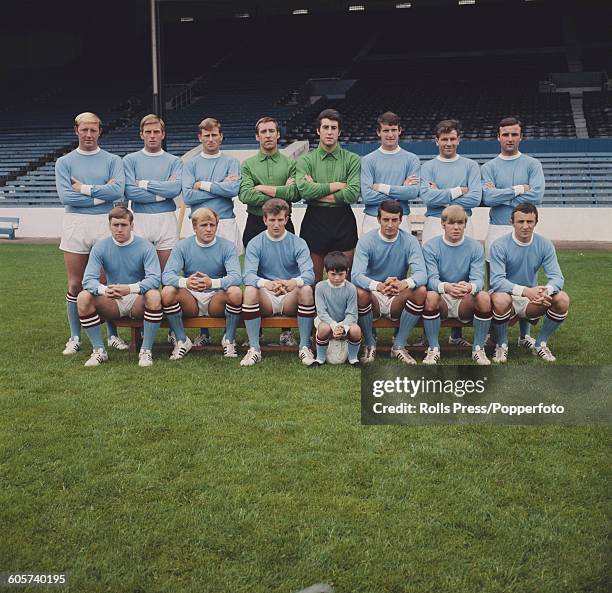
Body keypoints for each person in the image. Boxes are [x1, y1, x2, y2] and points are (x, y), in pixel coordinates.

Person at [55, 112, 126, 356]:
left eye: (93, 130)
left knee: (105, 282)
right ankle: (75, 336)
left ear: (100, 131)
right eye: (84, 130)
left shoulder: (112, 160)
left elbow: (117, 191)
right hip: (75, 224)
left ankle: (112, 335)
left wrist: (84, 190)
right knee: (76, 284)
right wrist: (101, 194)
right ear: (76, 130)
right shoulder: (64, 162)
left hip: (103, 224)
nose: (88, 134)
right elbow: (66, 197)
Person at [482, 116, 545, 349]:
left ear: (521, 136)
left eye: (514, 134)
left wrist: (501, 193)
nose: (510, 138)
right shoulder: (489, 167)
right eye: (505, 134)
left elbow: (536, 196)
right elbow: (487, 198)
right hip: (497, 229)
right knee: (497, 284)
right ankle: (496, 334)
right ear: (498, 137)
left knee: (526, 279)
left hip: (524, 229)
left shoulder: (532, 164)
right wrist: (520, 189)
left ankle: (524, 334)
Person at [239, 116, 301, 347]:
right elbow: (246, 195)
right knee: (256, 274)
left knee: (286, 269)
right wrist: (280, 191)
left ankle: (286, 329)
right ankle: (257, 330)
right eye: (263, 131)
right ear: (257, 136)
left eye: (271, 131)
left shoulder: (290, 163)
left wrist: (263, 188)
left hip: (285, 222)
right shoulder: (247, 165)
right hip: (255, 222)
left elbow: (295, 194)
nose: (267, 135)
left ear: (277, 134)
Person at [419, 119, 482, 348]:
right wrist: (457, 191)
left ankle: (456, 334)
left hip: (465, 222)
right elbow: (426, 197)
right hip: (434, 222)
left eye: (452, 139)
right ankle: (428, 333)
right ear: (436, 141)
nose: (448, 143)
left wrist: (441, 194)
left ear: (459, 140)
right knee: (431, 276)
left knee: (461, 273)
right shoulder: (427, 167)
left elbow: (475, 198)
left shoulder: (470, 166)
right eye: (444, 139)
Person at [181, 117, 241, 347]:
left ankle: (229, 330)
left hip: (225, 222)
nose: (210, 139)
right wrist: (219, 187)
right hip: (199, 222)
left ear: (221, 136)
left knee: (229, 273)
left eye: (214, 134)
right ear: (200, 137)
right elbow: (188, 196)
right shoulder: (191, 164)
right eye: (206, 135)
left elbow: (233, 189)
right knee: (200, 271)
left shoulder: (231, 161)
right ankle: (203, 330)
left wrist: (203, 185)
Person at [77, 206, 162, 367]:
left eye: (124, 225)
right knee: (83, 297)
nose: (119, 229)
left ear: (132, 226)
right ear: (109, 226)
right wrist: (105, 290)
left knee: (154, 295)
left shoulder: (146, 247)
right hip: (113, 299)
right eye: (115, 225)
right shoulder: (100, 247)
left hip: (137, 298)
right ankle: (99, 351)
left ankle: (146, 351)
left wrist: (129, 288)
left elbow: (154, 279)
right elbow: (88, 280)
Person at [490, 204, 569, 363]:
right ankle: (501, 344)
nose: (525, 226)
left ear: (536, 222)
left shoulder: (545, 244)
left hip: (532, 300)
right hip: (507, 298)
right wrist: (526, 291)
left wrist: (546, 290)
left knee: (562, 299)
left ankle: (540, 344)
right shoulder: (499, 245)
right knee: (499, 299)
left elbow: (557, 277)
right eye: (520, 221)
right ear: (512, 222)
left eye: (529, 221)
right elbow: (496, 281)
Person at [241, 199, 316, 367]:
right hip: (267, 297)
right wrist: (266, 284)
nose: (276, 224)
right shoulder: (255, 243)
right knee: (250, 291)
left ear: (287, 219)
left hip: (290, 295)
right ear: (265, 220)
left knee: (306, 290)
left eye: (280, 220)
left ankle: (304, 346)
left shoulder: (298, 243)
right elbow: (248, 275)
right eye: (272, 220)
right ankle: (254, 348)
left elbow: (309, 274)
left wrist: (293, 282)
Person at [352, 200, 427, 365]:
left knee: (420, 291)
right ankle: (370, 343)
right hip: (374, 295)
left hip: (397, 295)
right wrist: (378, 285)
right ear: (378, 219)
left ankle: (399, 345)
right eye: (386, 220)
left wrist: (403, 284)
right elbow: (356, 275)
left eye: (394, 220)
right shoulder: (366, 240)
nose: (390, 224)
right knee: (359, 292)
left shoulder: (410, 241)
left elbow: (422, 274)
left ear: (401, 220)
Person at [161, 208, 243, 360]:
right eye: (204, 225)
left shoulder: (227, 246)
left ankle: (229, 340)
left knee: (235, 292)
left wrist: (212, 282)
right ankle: (182, 340)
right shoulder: (182, 246)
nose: (209, 229)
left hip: (215, 298)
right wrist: (187, 282)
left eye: (212, 225)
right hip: (191, 298)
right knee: (167, 291)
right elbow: (166, 275)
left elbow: (237, 277)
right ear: (194, 227)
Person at [421, 205, 492, 365]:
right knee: (431, 296)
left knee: (483, 297)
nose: (456, 227)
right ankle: (433, 348)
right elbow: (431, 279)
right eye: (451, 223)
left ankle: (478, 349)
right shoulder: (431, 247)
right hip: (442, 298)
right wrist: (447, 287)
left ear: (465, 224)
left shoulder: (475, 247)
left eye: (460, 223)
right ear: (443, 224)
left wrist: (469, 287)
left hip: (464, 298)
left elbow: (478, 280)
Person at [296, 108, 360, 281]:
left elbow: (353, 193)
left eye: (333, 128)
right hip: (315, 219)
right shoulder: (305, 160)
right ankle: (316, 309)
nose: (329, 132)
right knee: (312, 279)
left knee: (345, 279)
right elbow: (303, 190)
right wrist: (336, 186)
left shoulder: (352, 159)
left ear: (339, 131)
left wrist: (316, 190)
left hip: (343, 218)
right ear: (318, 130)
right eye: (325, 127)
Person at [123, 114, 182, 271]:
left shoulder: (174, 161)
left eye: (156, 132)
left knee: (168, 274)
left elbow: (175, 189)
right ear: (141, 134)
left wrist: (143, 183)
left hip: (166, 220)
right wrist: (164, 191)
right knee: (140, 274)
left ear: (163, 134)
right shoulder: (130, 160)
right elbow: (130, 192)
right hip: (139, 218)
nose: (152, 136)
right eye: (148, 132)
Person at [360, 111, 420, 235]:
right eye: (386, 131)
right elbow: (367, 196)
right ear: (378, 132)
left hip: (400, 218)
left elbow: (413, 192)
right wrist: (401, 189)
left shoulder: (411, 159)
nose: (390, 134)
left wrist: (383, 188)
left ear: (400, 131)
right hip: (373, 218)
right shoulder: (368, 160)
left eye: (393, 130)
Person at [313, 251, 362, 367]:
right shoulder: (320, 287)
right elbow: (321, 312)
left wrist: (343, 327)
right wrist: (334, 325)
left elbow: (352, 314)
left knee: (356, 330)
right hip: (326, 320)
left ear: (347, 272)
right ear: (326, 272)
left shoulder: (350, 288)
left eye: (341, 274)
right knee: (324, 328)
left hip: (345, 321)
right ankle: (320, 358)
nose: (337, 278)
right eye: (333, 274)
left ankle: (353, 358)